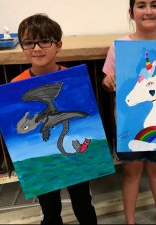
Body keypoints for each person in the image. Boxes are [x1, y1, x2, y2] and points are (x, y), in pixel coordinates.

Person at [102, 0, 156, 225]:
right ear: (131, 12)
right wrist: (109, 81)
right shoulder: (119, 46)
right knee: (132, 171)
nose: (148, 11)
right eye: (141, 5)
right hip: (129, 122)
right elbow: (107, 82)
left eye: (154, 5)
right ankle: (130, 220)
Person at [11, 13, 98, 225]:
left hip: (74, 155)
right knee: (50, 210)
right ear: (22, 46)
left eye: (44, 41)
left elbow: (86, 118)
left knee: (83, 203)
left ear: (58, 45)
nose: (37, 48)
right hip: (42, 160)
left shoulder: (74, 80)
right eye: (29, 43)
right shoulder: (16, 85)